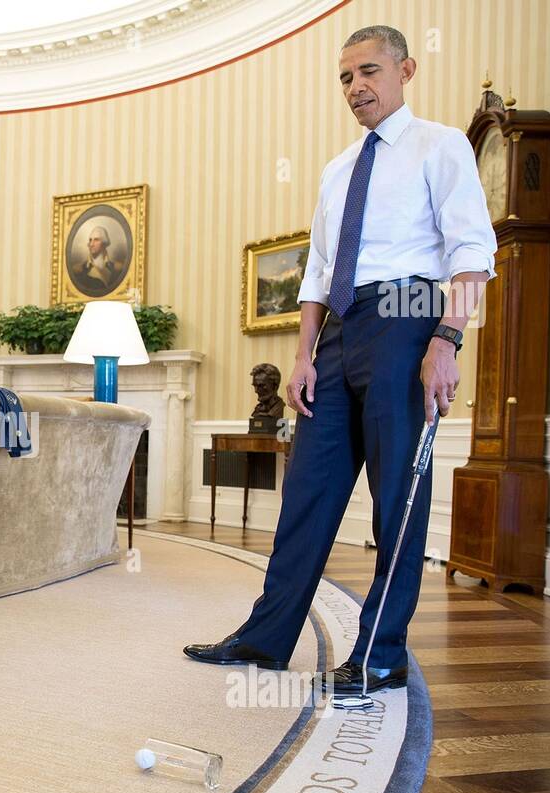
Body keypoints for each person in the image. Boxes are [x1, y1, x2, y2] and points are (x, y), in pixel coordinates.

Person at [184, 25, 495, 694]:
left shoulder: (439, 147)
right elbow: (319, 270)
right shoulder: (337, 169)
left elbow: (473, 253)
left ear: (405, 69)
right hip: (338, 336)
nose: (357, 87)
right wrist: (302, 356)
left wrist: (448, 339)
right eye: (346, 77)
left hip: (409, 319)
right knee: (308, 494)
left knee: (395, 501)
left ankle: (380, 654)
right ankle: (266, 640)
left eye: (370, 72)